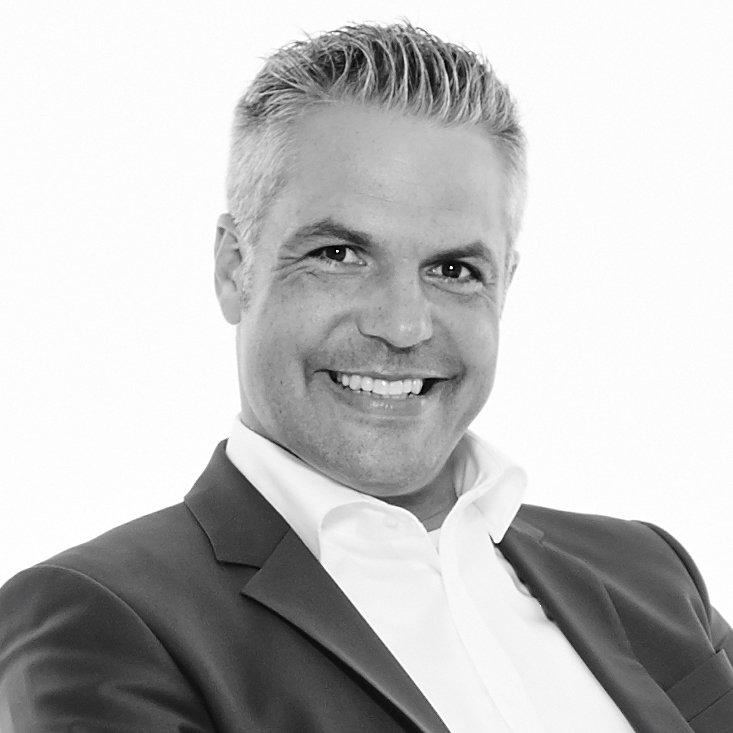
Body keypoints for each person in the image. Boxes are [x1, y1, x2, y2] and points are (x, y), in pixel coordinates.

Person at [0, 21, 730, 733]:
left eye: (452, 269)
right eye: (339, 255)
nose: (403, 325)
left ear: (505, 284)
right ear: (234, 267)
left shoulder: (649, 573)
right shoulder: (105, 617)